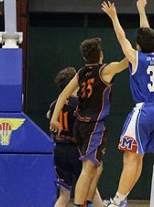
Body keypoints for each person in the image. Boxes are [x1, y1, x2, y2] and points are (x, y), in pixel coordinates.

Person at [101, 0, 154, 207]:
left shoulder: (136, 57)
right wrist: (141, 10)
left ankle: (117, 200)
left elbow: (122, 39)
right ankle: (123, 198)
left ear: (138, 46)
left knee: (129, 159)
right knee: (138, 159)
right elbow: (148, 34)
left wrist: (113, 17)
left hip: (143, 111)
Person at [49, 38, 128, 207]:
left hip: (80, 126)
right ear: (101, 54)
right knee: (88, 169)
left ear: (85, 58)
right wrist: (135, 47)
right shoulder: (105, 70)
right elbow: (126, 62)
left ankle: (89, 203)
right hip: (94, 125)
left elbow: (63, 96)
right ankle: (81, 204)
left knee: (94, 168)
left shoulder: (81, 72)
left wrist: (54, 119)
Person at [48, 67, 103, 207]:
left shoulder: (55, 104)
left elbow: (48, 115)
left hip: (59, 150)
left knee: (64, 195)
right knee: (90, 187)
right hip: (76, 150)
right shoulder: (78, 104)